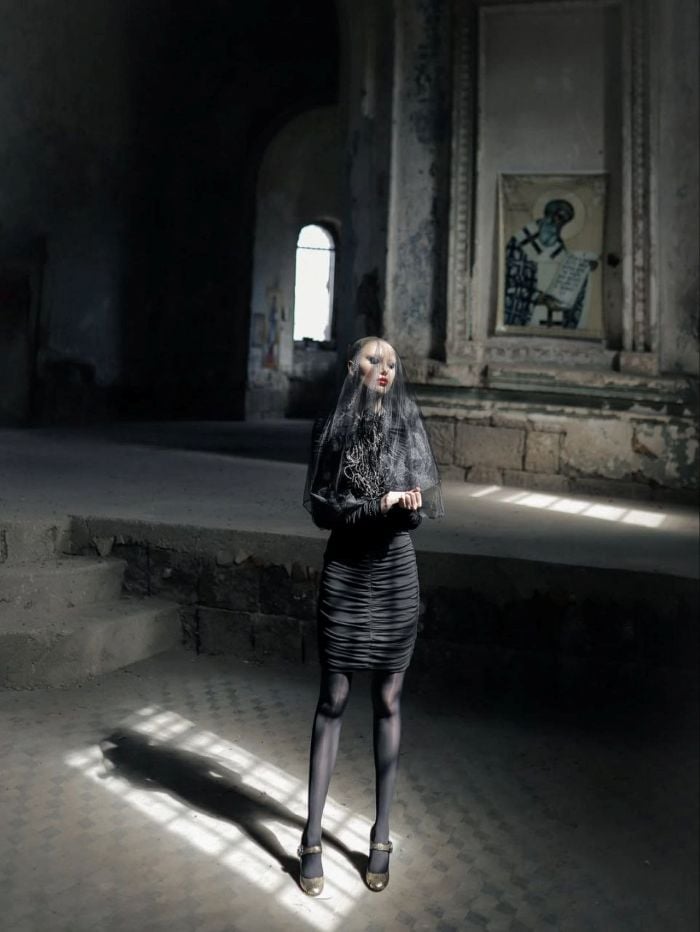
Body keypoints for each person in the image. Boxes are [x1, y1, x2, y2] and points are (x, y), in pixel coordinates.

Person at [297, 336, 443, 896]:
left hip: (395, 574)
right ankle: (311, 836)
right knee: (332, 699)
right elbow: (322, 510)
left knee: (388, 700)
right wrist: (373, 506)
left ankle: (382, 833)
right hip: (346, 571)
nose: (384, 368)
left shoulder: (406, 423)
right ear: (351, 366)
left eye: (392, 362)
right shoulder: (331, 426)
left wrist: (405, 506)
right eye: (373, 359)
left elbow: (414, 515)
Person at [504, 198, 598, 329]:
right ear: (548, 215)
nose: (559, 225)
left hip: (554, 318)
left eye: (565, 221)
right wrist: (541, 298)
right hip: (525, 317)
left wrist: (585, 267)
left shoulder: (557, 244)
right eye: (559, 217)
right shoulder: (520, 242)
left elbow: (567, 270)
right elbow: (508, 284)